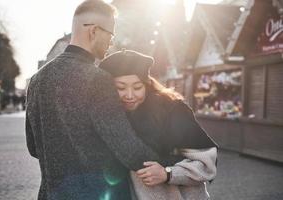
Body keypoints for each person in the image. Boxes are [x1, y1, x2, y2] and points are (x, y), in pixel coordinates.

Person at [25, 1, 162, 199]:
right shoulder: (97, 79)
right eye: (111, 34)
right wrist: (169, 165)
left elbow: (33, 148)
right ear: (94, 31)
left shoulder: (37, 80)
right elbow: (126, 148)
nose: (111, 43)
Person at [99, 50, 219, 200]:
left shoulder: (173, 110)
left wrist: (167, 173)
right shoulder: (107, 118)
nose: (129, 95)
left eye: (137, 87)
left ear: (147, 85)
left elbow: (207, 163)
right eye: (120, 88)